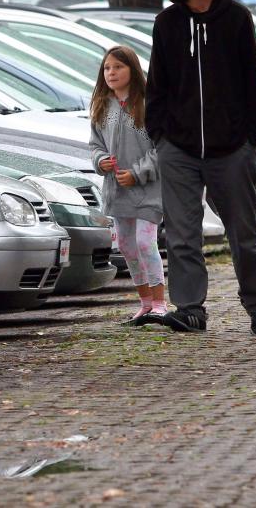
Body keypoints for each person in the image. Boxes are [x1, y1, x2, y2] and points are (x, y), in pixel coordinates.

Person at [145, 0, 256, 335]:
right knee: (183, 235)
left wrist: (249, 139)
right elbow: (157, 86)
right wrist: (160, 137)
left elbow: (253, 84)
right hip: (178, 150)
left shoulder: (236, 18)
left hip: (230, 149)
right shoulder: (167, 23)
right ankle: (190, 309)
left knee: (243, 233)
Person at [89, 45, 166, 325]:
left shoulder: (147, 103)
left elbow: (162, 147)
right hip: (117, 190)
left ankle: (160, 303)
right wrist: (100, 161)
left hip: (147, 190)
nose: (112, 73)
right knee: (126, 245)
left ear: (133, 70)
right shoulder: (102, 104)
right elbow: (95, 144)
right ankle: (145, 303)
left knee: (146, 242)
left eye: (118, 67)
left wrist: (138, 173)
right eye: (107, 68)